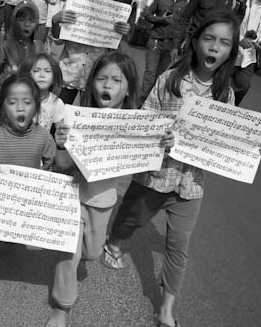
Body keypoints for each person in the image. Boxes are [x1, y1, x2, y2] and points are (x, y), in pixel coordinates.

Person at [101, 12, 261, 327]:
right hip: (155, 176)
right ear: (195, 43)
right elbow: (146, 116)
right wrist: (161, 133)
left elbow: (228, 137)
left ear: (231, 52)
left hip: (190, 184)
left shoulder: (225, 94)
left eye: (224, 43)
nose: (215, 47)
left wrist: (255, 146)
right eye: (209, 39)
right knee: (131, 219)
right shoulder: (170, 79)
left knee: (179, 247)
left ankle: (166, 309)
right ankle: (114, 240)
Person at [46, 51, 159, 327]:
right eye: (101, 78)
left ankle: (87, 252)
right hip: (70, 196)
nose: (107, 86)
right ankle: (61, 309)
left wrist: (159, 144)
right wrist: (62, 142)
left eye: (116, 80)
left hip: (102, 200)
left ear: (128, 88)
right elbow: (59, 161)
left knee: (92, 252)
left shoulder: (134, 126)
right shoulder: (76, 117)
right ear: (91, 83)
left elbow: (148, 166)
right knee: (68, 254)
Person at [0, 73, 56, 309]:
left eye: (27, 102)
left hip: (25, 204)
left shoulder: (43, 136)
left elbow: (51, 164)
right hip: (0, 207)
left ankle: (12, 239)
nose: (21, 108)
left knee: (13, 237)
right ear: (2, 108)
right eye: (12, 102)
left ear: (37, 107)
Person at [51, 0, 132, 105]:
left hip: (95, 78)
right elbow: (58, 39)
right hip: (68, 74)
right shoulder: (75, 2)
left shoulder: (115, 10)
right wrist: (55, 22)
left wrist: (122, 34)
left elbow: (114, 51)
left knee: (86, 118)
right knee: (57, 114)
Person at [0, 52, 64, 131]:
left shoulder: (56, 102)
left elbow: (60, 129)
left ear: (54, 78)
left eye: (47, 71)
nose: (42, 75)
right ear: (27, 75)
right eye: (36, 71)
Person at [0, 0, 44, 99]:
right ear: (14, 21)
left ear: (37, 24)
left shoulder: (38, 47)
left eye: (31, 20)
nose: (27, 24)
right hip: (8, 95)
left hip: (30, 97)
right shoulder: (6, 46)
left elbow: (45, 71)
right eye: (22, 19)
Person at [169, 0, 248, 62]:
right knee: (181, 74)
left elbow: (234, 24)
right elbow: (184, 19)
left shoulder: (233, 1)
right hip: (193, 45)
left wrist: (242, 7)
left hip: (214, 48)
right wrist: (175, 44)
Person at [140, 0, 189, 101]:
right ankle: (142, 101)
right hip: (155, 41)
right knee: (150, 72)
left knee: (160, 76)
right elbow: (147, 15)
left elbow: (183, 26)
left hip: (171, 45)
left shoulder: (186, 4)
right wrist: (161, 19)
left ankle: (152, 101)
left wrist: (177, 46)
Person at [232, 0, 261, 106]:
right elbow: (229, 22)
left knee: (243, 85)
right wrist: (239, 39)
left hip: (248, 56)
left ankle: (230, 111)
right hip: (231, 51)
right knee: (221, 85)